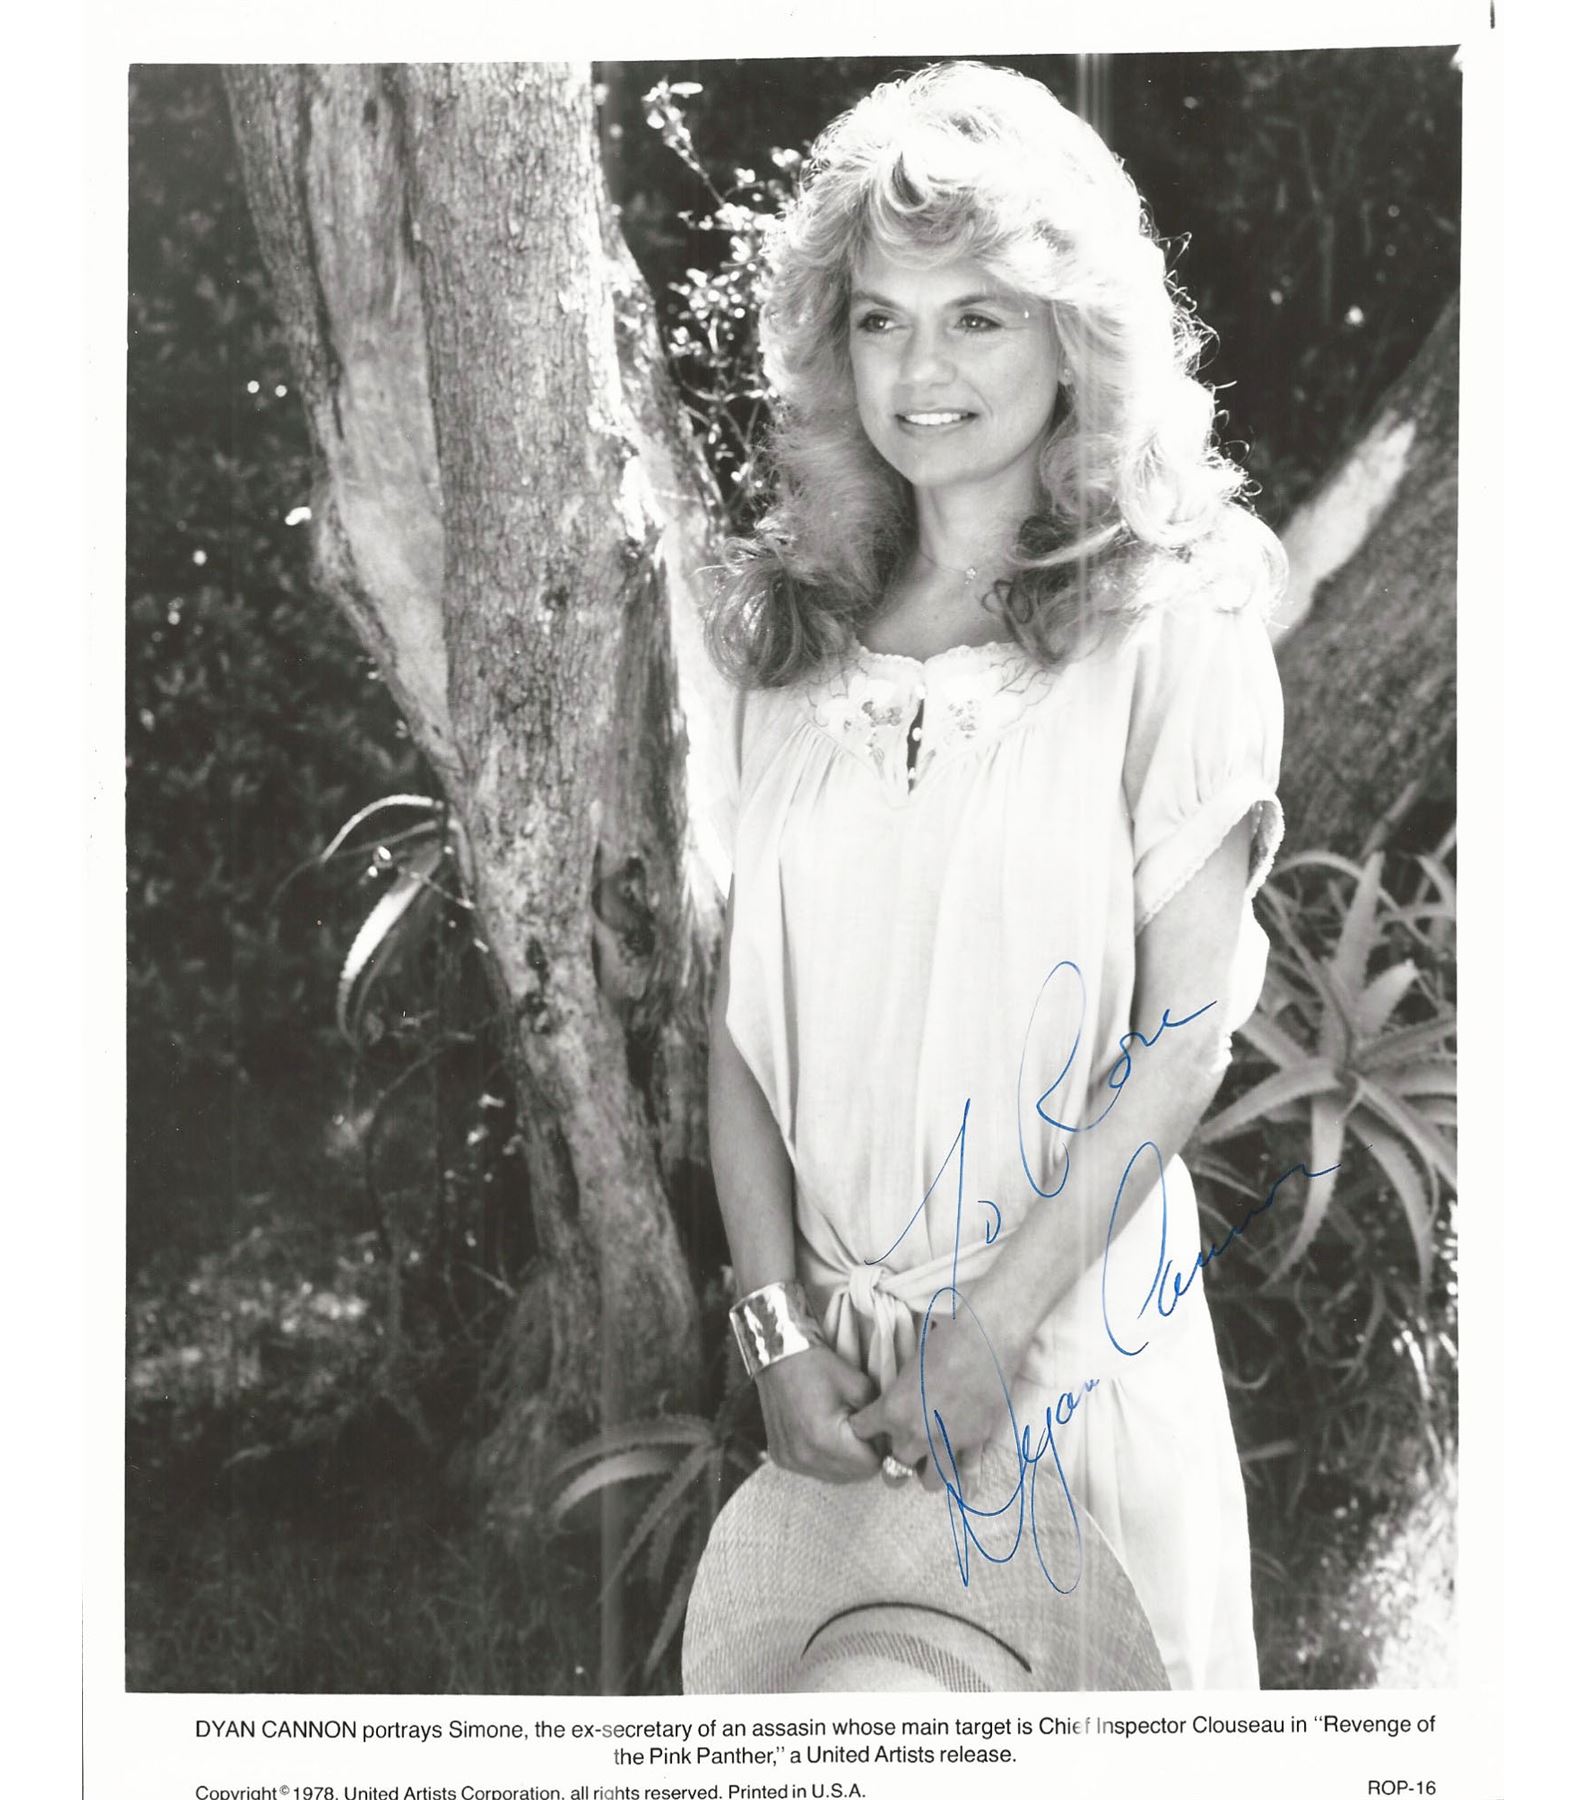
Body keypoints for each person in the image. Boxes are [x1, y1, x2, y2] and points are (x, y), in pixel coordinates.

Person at [702, 60, 1285, 1691]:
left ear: (1072, 336)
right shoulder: (787, 648)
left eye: (976, 317)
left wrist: (990, 1334)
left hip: (1069, 1349)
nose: (920, 370)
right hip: (836, 1390)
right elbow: (738, 1035)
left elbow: (1183, 1037)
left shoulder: (1173, 626)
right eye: (879, 321)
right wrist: (775, 1333)